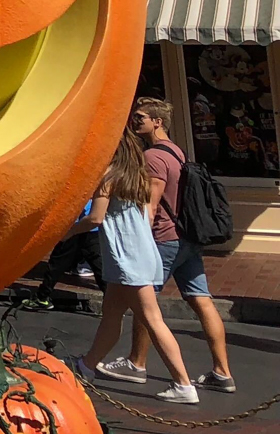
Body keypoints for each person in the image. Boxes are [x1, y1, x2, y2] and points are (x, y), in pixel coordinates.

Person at [117, 99, 235, 391]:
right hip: (187, 237)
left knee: (146, 302)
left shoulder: (154, 157)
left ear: (157, 122)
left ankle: (136, 363)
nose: (135, 121)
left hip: (165, 238)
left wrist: (139, 240)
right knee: (201, 299)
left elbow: (152, 204)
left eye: (141, 117)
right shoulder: (177, 151)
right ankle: (222, 372)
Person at [80, 131, 198, 404]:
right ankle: (86, 366)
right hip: (139, 253)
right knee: (111, 314)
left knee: (153, 320)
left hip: (127, 258)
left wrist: (66, 232)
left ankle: (183, 384)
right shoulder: (138, 178)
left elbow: (95, 217)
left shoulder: (109, 177)